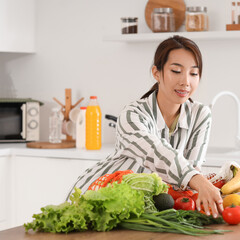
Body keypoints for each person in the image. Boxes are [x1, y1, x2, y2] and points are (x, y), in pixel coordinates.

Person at [66, 35, 223, 218]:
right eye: (176, 71)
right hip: (98, 198)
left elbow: (191, 173)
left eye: (193, 73)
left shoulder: (200, 115)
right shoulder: (132, 114)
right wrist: (201, 183)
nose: (186, 81)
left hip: (144, 209)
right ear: (156, 73)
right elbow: (157, 153)